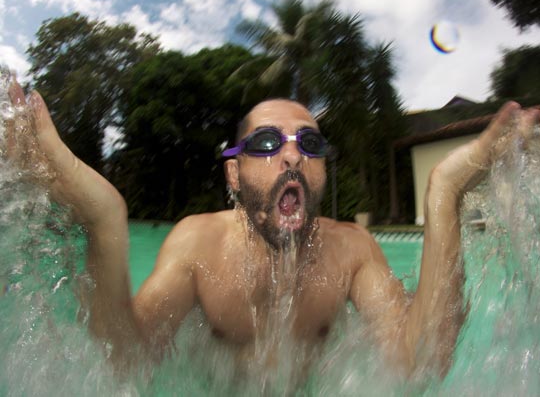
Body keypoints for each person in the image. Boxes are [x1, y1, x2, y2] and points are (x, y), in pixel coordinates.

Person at [6, 78, 540, 378]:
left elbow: (420, 362)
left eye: (309, 144)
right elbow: (124, 362)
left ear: (323, 169)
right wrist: (104, 221)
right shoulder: (197, 244)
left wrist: (444, 192)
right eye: (266, 143)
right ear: (234, 172)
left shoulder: (352, 252)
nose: (291, 154)